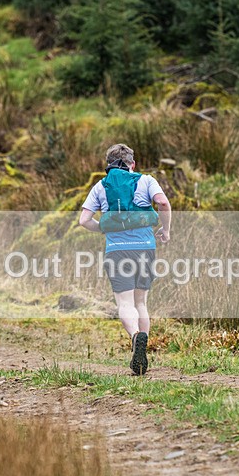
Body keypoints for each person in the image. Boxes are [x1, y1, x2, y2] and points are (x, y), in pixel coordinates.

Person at [79, 143, 171, 375]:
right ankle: (144, 350)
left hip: (116, 250)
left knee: (125, 303)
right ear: (133, 163)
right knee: (141, 303)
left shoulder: (100, 186)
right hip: (145, 248)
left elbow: (83, 220)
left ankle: (134, 338)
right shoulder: (146, 180)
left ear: (108, 165)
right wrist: (165, 229)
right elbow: (163, 203)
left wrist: (103, 228)